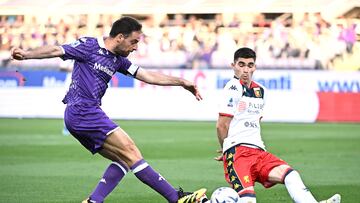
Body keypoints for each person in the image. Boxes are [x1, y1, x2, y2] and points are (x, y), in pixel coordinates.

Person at [11, 16, 206, 203]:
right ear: (120, 37)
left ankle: (94, 200)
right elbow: (56, 49)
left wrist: (181, 82)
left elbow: (148, 76)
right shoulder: (89, 46)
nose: (136, 47)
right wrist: (27, 54)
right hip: (82, 110)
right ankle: (176, 198)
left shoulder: (119, 59)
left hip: (82, 115)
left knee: (124, 159)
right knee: (131, 151)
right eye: (134, 41)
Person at [212, 47, 340, 203]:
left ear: (255, 67)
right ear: (233, 66)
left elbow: (255, 120)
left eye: (250, 65)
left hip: (259, 151)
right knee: (248, 200)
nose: (245, 70)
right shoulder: (233, 88)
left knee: (290, 175)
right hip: (238, 153)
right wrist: (227, 149)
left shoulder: (261, 91)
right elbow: (222, 125)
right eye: (241, 64)